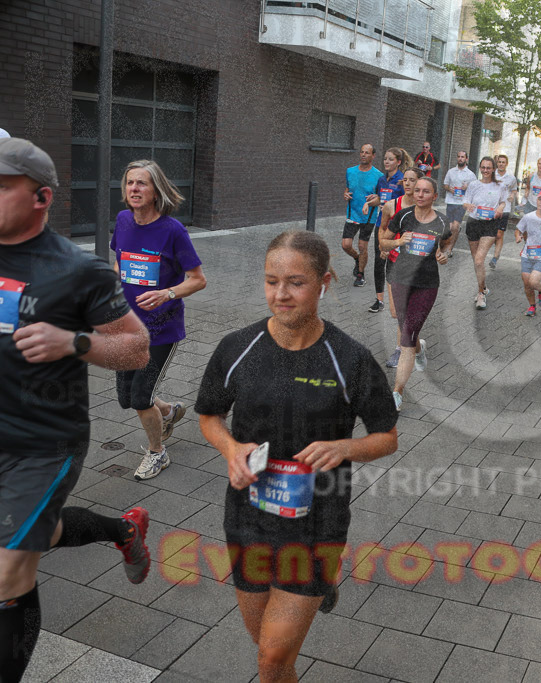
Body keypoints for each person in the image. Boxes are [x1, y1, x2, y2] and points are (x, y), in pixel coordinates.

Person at [196, 230, 398, 683]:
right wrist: (231, 449)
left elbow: (387, 437)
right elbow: (209, 416)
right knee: (269, 651)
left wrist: (344, 447)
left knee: (271, 658)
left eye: (295, 282)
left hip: (316, 524)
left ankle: (319, 583)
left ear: (324, 282)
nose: (280, 295)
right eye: (271, 282)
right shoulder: (237, 348)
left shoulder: (350, 360)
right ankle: (317, 595)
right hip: (248, 518)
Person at [0, 137, 153, 682]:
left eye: (2, 186)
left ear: (41, 197)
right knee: (36, 533)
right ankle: (123, 530)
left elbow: (137, 347)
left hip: (43, 441)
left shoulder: (78, 270)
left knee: (7, 568)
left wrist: (74, 342)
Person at [110, 159, 207, 480]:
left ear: (156, 191)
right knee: (126, 398)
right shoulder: (123, 220)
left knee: (140, 398)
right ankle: (168, 411)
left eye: (142, 183)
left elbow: (198, 279)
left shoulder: (173, 231)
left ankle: (157, 452)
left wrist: (167, 293)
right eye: (130, 182)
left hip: (161, 329)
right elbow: (119, 262)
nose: (134, 188)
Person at [381, 177, 455, 409]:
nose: (420, 195)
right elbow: (383, 242)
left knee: (407, 337)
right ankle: (420, 349)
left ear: (435, 196)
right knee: (407, 332)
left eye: (426, 191)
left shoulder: (442, 221)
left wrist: (444, 254)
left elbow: (447, 243)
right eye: (417, 191)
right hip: (401, 280)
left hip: (426, 284)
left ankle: (397, 392)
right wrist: (398, 242)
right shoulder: (403, 216)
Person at [377, 167, 423, 368]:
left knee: (405, 311)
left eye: (412, 180)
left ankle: (400, 349)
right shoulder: (391, 205)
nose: (408, 183)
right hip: (395, 262)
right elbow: (382, 229)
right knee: (396, 312)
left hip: (416, 265)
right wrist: (384, 246)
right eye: (405, 180)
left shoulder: (424, 209)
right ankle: (416, 345)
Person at [365, 147, 411, 308]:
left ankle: (398, 298)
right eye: (385, 158)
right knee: (379, 261)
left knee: (394, 263)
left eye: (391, 159)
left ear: (398, 162)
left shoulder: (402, 180)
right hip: (381, 225)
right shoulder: (381, 180)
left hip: (397, 228)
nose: (386, 162)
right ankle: (379, 300)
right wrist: (369, 202)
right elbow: (381, 199)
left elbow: (407, 201)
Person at [463, 156, 508, 309]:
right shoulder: (474, 184)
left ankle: (481, 294)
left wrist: (500, 208)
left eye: (488, 168)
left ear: (493, 169)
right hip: (474, 223)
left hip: (490, 224)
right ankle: (483, 287)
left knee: (478, 260)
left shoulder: (500, 186)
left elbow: (503, 202)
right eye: (483, 167)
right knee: (477, 261)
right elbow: (465, 201)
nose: (485, 170)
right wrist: (468, 206)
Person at [342, 144, 384, 294]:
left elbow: (381, 198)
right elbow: (348, 189)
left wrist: (374, 200)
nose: (363, 155)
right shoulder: (350, 171)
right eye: (362, 152)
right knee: (346, 245)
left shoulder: (379, 176)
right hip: (352, 214)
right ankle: (357, 259)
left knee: (362, 246)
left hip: (369, 217)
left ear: (373, 156)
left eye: (367, 152)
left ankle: (360, 274)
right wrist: (345, 194)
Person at [488, 154, 519, 268]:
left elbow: (514, 190)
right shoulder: (492, 175)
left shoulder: (511, 178)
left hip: (505, 209)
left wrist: (512, 195)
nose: (501, 164)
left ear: (506, 164)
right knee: (491, 234)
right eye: (499, 162)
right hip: (491, 208)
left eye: (503, 162)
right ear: (497, 163)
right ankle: (494, 248)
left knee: (499, 234)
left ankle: (495, 258)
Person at [442, 150, 475, 248]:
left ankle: (450, 248)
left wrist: (468, 186)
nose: (460, 159)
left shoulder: (470, 174)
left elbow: (476, 188)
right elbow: (445, 185)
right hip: (451, 201)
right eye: (459, 156)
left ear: (466, 159)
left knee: (455, 226)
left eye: (462, 157)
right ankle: (450, 242)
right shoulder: (451, 171)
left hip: (462, 203)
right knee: (450, 227)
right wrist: (449, 189)